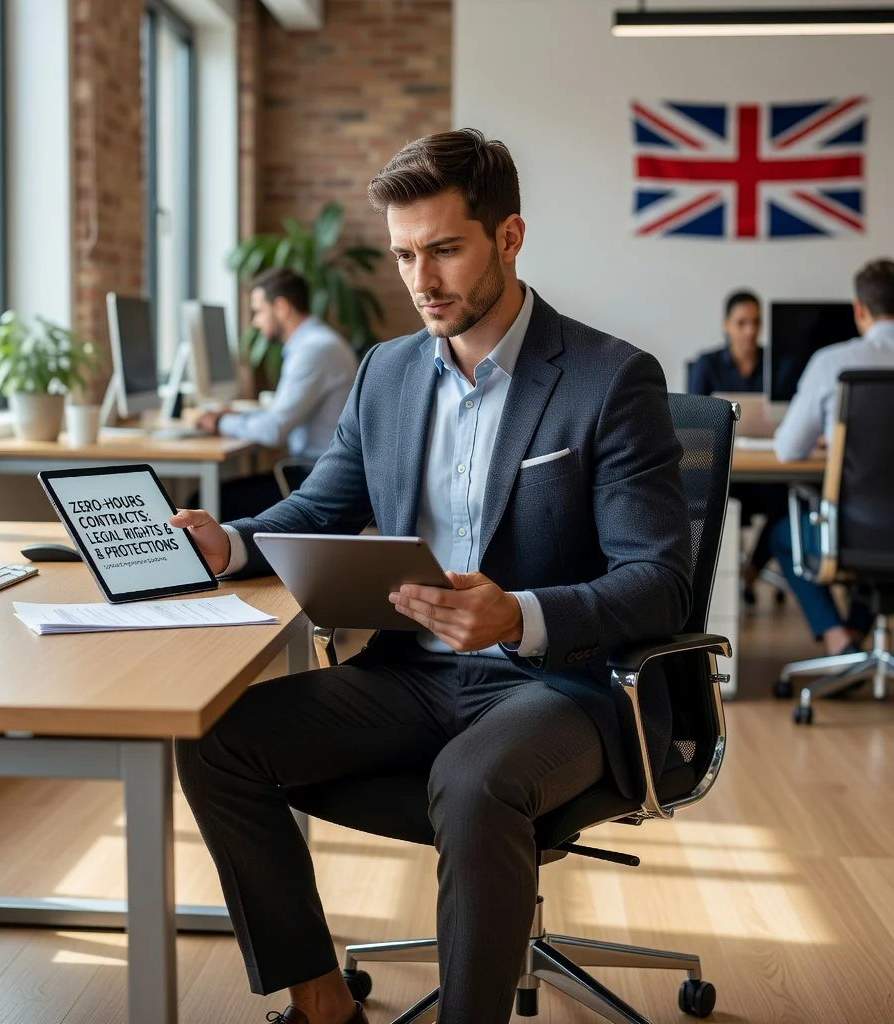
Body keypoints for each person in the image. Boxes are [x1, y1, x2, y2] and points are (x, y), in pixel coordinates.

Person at [170, 129, 692, 1024]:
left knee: (474, 779)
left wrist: (519, 613)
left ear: (509, 238)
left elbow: (660, 581)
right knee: (219, 743)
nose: (422, 280)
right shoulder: (386, 372)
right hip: (413, 676)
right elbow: (320, 509)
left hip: (562, 683)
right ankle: (322, 1001)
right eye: (406, 254)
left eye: (445, 249)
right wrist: (232, 544)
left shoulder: (609, 380)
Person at [772, 258, 894, 660]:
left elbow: (787, 450)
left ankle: (838, 638)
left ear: (859, 309)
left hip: (852, 532)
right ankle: (859, 639)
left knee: (782, 535)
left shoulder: (832, 363)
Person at [198, 267, 358, 519]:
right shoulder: (317, 342)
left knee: (202, 501)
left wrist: (221, 421)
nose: (255, 322)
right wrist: (240, 416)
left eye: (259, 311)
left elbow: (273, 431)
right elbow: (280, 413)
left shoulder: (313, 350)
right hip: (317, 470)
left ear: (282, 308)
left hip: (314, 477)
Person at [689, 290, 787, 603]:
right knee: (705, 500)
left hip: (766, 470)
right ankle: (715, 582)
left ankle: (752, 569)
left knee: (788, 501)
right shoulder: (706, 364)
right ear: (726, 325)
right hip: (724, 469)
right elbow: (695, 421)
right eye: (742, 322)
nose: (750, 330)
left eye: (756, 322)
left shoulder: (778, 363)